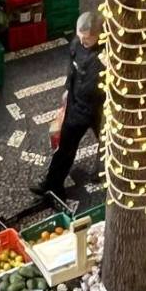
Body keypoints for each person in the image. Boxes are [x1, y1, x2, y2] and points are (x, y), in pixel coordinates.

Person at [34, 12, 104, 198]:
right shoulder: (77, 44)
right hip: (77, 105)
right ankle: (52, 184)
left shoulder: (109, 53)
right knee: (65, 146)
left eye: (88, 40)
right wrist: (67, 88)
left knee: (108, 145)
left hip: (102, 109)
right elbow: (71, 68)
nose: (83, 42)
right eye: (81, 38)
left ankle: (103, 174)